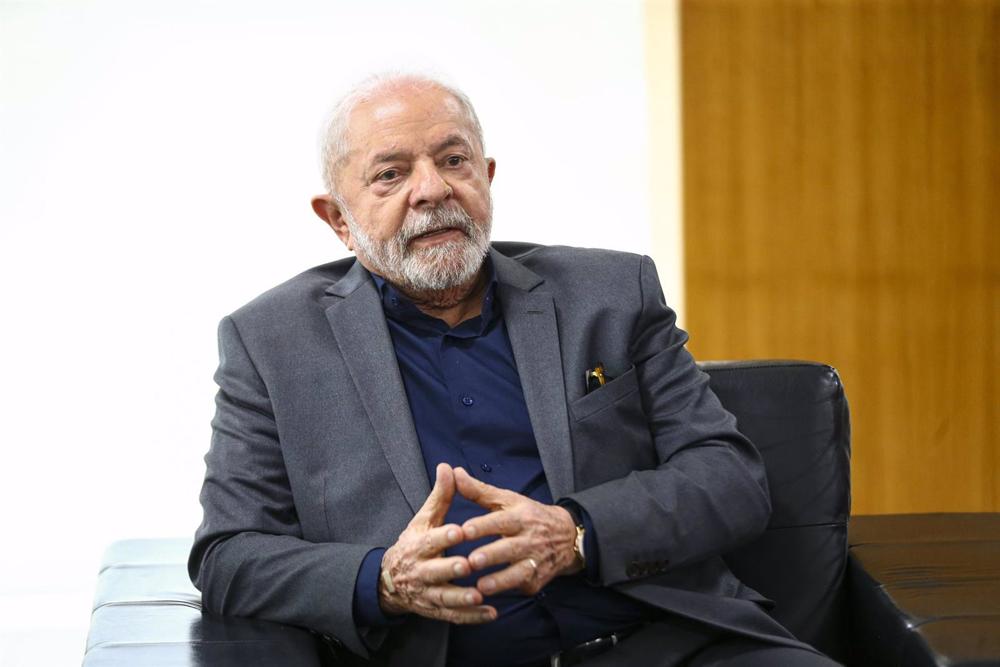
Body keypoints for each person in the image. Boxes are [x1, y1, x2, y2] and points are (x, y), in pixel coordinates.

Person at [189, 73, 840, 667]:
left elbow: (731, 477)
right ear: (338, 219)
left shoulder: (612, 294)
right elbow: (228, 556)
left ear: (487, 176)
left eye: (453, 160)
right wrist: (382, 577)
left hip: (665, 644)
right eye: (390, 174)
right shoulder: (271, 343)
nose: (433, 189)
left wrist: (578, 531)